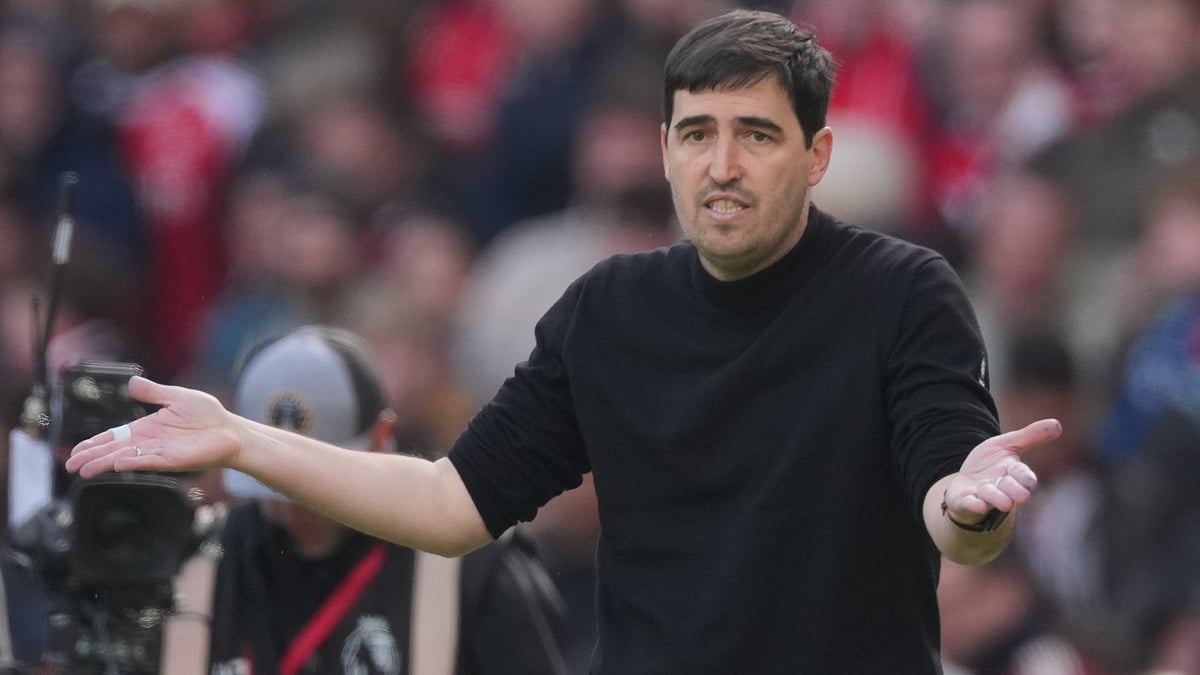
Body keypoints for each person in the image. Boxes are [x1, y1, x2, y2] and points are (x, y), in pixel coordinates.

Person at [66, 10, 1062, 673]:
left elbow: (953, 501)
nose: (723, 164)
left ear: (816, 155)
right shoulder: (608, 309)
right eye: (697, 132)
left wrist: (973, 509)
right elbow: (452, 504)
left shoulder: (903, 292)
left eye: (757, 135)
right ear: (666, 151)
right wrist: (244, 441)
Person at [207, 326, 568, 675]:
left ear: (382, 437)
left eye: (308, 477)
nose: (289, 500)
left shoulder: (471, 571)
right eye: (269, 481)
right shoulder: (201, 567)